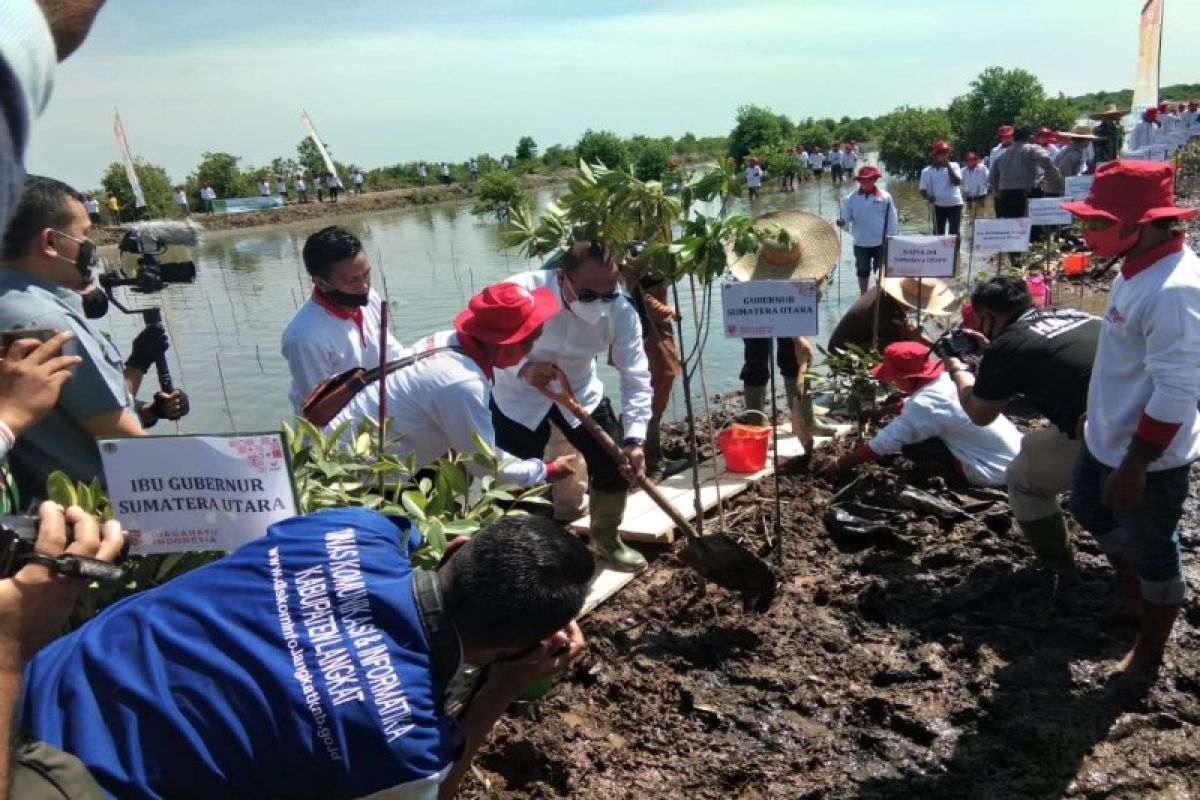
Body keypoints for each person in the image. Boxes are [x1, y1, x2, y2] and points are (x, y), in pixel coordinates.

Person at [21, 507, 593, 799]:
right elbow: (431, 794)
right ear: (518, 648)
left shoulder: (356, 527)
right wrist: (501, 689)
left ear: (460, 546)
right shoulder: (405, 744)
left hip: (26, 687)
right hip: (63, 788)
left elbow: (403, 535)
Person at [1061, 160, 1200, 671]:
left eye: (1097, 222)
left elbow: (1179, 390)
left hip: (1147, 456)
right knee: (1089, 509)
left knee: (1155, 550)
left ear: (1138, 226)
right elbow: (1124, 359)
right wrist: (1094, 414)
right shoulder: (1135, 267)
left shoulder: (1174, 290)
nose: (1087, 231)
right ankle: (1129, 592)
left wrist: (1137, 465)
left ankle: (1149, 651)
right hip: (1107, 434)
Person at [0, 176, 188, 498]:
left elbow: (70, 417)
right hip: (95, 512)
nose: (90, 246)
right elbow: (119, 437)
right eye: (84, 234)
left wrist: (148, 409)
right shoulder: (48, 322)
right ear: (50, 242)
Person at [491, 241, 653, 571]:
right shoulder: (520, 292)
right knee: (517, 482)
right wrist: (521, 366)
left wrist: (636, 439)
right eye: (589, 295)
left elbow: (635, 374)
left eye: (609, 293)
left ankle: (605, 539)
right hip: (517, 395)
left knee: (615, 464)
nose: (600, 304)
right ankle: (526, 558)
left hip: (578, 392)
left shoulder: (621, 310)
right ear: (563, 277)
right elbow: (480, 336)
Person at [330, 281, 575, 488]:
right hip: (353, 475)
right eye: (530, 341)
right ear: (508, 344)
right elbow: (486, 465)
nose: (532, 349)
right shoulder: (462, 383)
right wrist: (545, 470)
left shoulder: (444, 340)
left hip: (342, 447)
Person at [942, 276, 1099, 575]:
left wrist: (958, 369)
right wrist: (991, 353)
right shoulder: (1072, 312)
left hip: (1106, 435)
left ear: (986, 318)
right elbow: (1043, 352)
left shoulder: (1007, 348)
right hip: (1160, 418)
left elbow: (979, 414)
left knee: (1022, 479)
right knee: (1034, 445)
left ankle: (1058, 568)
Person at [819, 341, 1021, 487]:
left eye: (893, 378)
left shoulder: (924, 404)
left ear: (906, 379)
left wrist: (840, 463)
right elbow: (924, 405)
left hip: (993, 471)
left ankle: (955, 478)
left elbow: (884, 443)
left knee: (913, 447)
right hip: (1019, 455)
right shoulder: (946, 379)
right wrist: (884, 411)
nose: (892, 382)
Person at [729, 210, 840, 415]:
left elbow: (805, 308)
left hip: (787, 306)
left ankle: (799, 414)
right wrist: (797, 336)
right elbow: (769, 311)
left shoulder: (808, 278)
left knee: (794, 358)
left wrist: (800, 337)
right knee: (756, 361)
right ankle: (755, 420)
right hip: (754, 305)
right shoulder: (747, 280)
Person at [282, 225, 403, 412]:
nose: (364, 286)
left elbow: (392, 353)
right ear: (322, 283)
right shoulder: (304, 338)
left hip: (380, 409)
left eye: (366, 274)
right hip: (337, 429)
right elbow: (321, 407)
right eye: (351, 281)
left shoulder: (369, 297)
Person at [621, 253, 685, 481]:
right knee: (652, 400)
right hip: (651, 339)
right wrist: (670, 311)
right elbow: (645, 299)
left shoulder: (637, 261)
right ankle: (653, 461)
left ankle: (647, 454)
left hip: (650, 336)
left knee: (651, 398)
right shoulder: (639, 264)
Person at [826, 276, 948, 355]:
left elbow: (908, 328)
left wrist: (935, 345)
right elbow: (905, 336)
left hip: (858, 342)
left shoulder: (884, 295)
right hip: (843, 356)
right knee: (899, 348)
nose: (914, 308)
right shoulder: (882, 310)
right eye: (915, 304)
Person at [837, 165, 898, 294]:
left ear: (875, 179)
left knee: (880, 271)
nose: (866, 182)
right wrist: (842, 222)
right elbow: (846, 218)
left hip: (880, 241)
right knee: (862, 271)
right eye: (863, 180)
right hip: (860, 242)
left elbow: (892, 219)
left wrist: (891, 237)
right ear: (859, 181)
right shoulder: (851, 198)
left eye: (869, 179)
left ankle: (879, 295)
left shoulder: (885, 197)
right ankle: (863, 295)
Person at [988, 124, 1062, 220]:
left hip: (1006, 194)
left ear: (1013, 137)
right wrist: (1057, 178)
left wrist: (998, 192)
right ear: (1029, 137)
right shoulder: (1032, 148)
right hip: (1027, 193)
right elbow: (1045, 159)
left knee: (1012, 225)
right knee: (1031, 227)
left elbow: (992, 177)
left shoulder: (1002, 155)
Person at [918, 140, 964, 235]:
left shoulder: (954, 166)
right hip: (938, 205)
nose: (944, 155)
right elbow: (922, 190)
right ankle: (940, 250)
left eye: (946, 153)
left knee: (954, 233)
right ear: (935, 155)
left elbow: (957, 182)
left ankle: (955, 250)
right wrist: (928, 197)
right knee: (938, 233)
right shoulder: (926, 171)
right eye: (941, 153)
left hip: (955, 204)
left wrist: (948, 167)